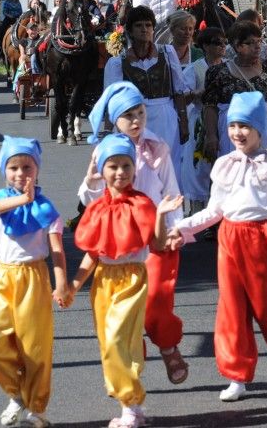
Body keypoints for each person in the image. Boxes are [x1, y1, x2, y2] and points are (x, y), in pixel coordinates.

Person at [170, 92, 267, 402]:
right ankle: (236, 376)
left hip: (260, 236)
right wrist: (181, 227)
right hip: (229, 238)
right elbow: (214, 211)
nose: (238, 132)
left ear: (260, 130)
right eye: (233, 125)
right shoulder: (223, 164)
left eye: (245, 126)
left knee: (265, 305)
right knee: (232, 309)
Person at [70, 133, 184, 428]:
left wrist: (160, 215)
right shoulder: (96, 208)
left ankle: (131, 405)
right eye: (113, 166)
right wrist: (73, 286)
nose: (120, 172)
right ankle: (130, 406)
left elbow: (158, 244)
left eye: (126, 165)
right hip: (103, 282)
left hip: (132, 278)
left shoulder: (142, 203)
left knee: (120, 339)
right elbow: (92, 254)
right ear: (102, 170)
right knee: (109, 343)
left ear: (134, 169)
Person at [81, 82, 189, 385]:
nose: (137, 120)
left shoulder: (157, 148)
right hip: (122, 244)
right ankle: (130, 370)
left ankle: (168, 347)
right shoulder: (105, 152)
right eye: (128, 115)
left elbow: (171, 190)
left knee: (157, 300)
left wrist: (175, 227)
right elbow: (92, 203)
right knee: (122, 314)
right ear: (115, 120)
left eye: (140, 112)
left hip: (158, 237)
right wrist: (90, 182)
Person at [0, 137, 67, 428]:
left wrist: (62, 283)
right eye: (13, 167)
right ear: (4, 170)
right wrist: (23, 200)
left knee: (35, 347)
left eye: (27, 167)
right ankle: (15, 393)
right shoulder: (0, 200)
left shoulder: (47, 211)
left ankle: (36, 409)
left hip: (34, 278)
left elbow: (56, 249)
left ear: (37, 170)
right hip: (3, 277)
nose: (21, 174)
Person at [105, 6, 190, 171]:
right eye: (139, 25)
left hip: (165, 118)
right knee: (139, 168)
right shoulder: (117, 63)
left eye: (148, 25)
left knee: (167, 167)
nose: (144, 29)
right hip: (134, 119)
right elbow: (112, 101)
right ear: (130, 30)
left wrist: (183, 122)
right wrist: (108, 131)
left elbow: (179, 90)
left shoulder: (167, 53)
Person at [202, 21, 267, 159]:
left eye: (259, 41)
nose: (257, 46)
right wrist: (211, 136)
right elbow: (210, 106)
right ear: (237, 46)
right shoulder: (218, 72)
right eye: (250, 43)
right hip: (233, 136)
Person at [181, 27, 228, 214]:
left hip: (223, 118)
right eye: (218, 43)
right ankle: (200, 211)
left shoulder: (229, 66)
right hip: (200, 119)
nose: (223, 46)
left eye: (225, 42)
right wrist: (197, 93)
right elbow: (182, 98)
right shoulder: (195, 68)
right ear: (206, 46)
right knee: (200, 165)